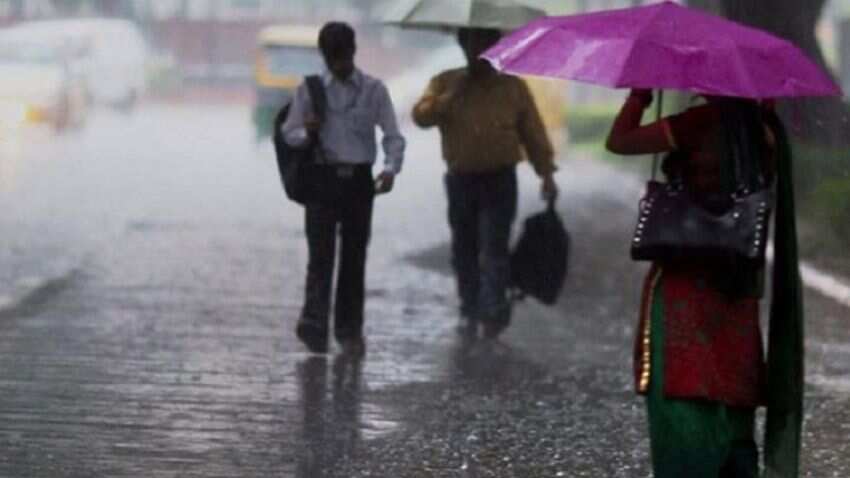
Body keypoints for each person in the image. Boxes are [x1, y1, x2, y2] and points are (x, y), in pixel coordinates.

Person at [606, 89, 802, 478]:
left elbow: (620, 140)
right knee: (732, 394)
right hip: (737, 287)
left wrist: (640, 98)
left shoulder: (697, 123)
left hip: (686, 280)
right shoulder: (766, 132)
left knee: (683, 390)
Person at [412, 27, 558, 340]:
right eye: (471, 43)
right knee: (463, 248)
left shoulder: (512, 87)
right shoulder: (445, 81)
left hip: (500, 179)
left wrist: (546, 173)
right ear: (462, 45)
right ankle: (469, 305)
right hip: (460, 179)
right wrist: (448, 99)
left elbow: (532, 132)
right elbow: (420, 117)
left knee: (494, 248)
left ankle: (493, 311)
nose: (477, 50)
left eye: (485, 44)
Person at [282, 22, 405, 357]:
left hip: (359, 183)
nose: (340, 63)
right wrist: (307, 132)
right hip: (322, 180)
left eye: (344, 55)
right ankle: (314, 325)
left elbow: (392, 134)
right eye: (333, 57)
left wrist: (391, 168)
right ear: (324, 55)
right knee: (320, 257)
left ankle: (349, 331)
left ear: (354, 51)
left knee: (354, 258)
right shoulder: (309, 90)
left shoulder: (374, 90)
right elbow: (289, 132)